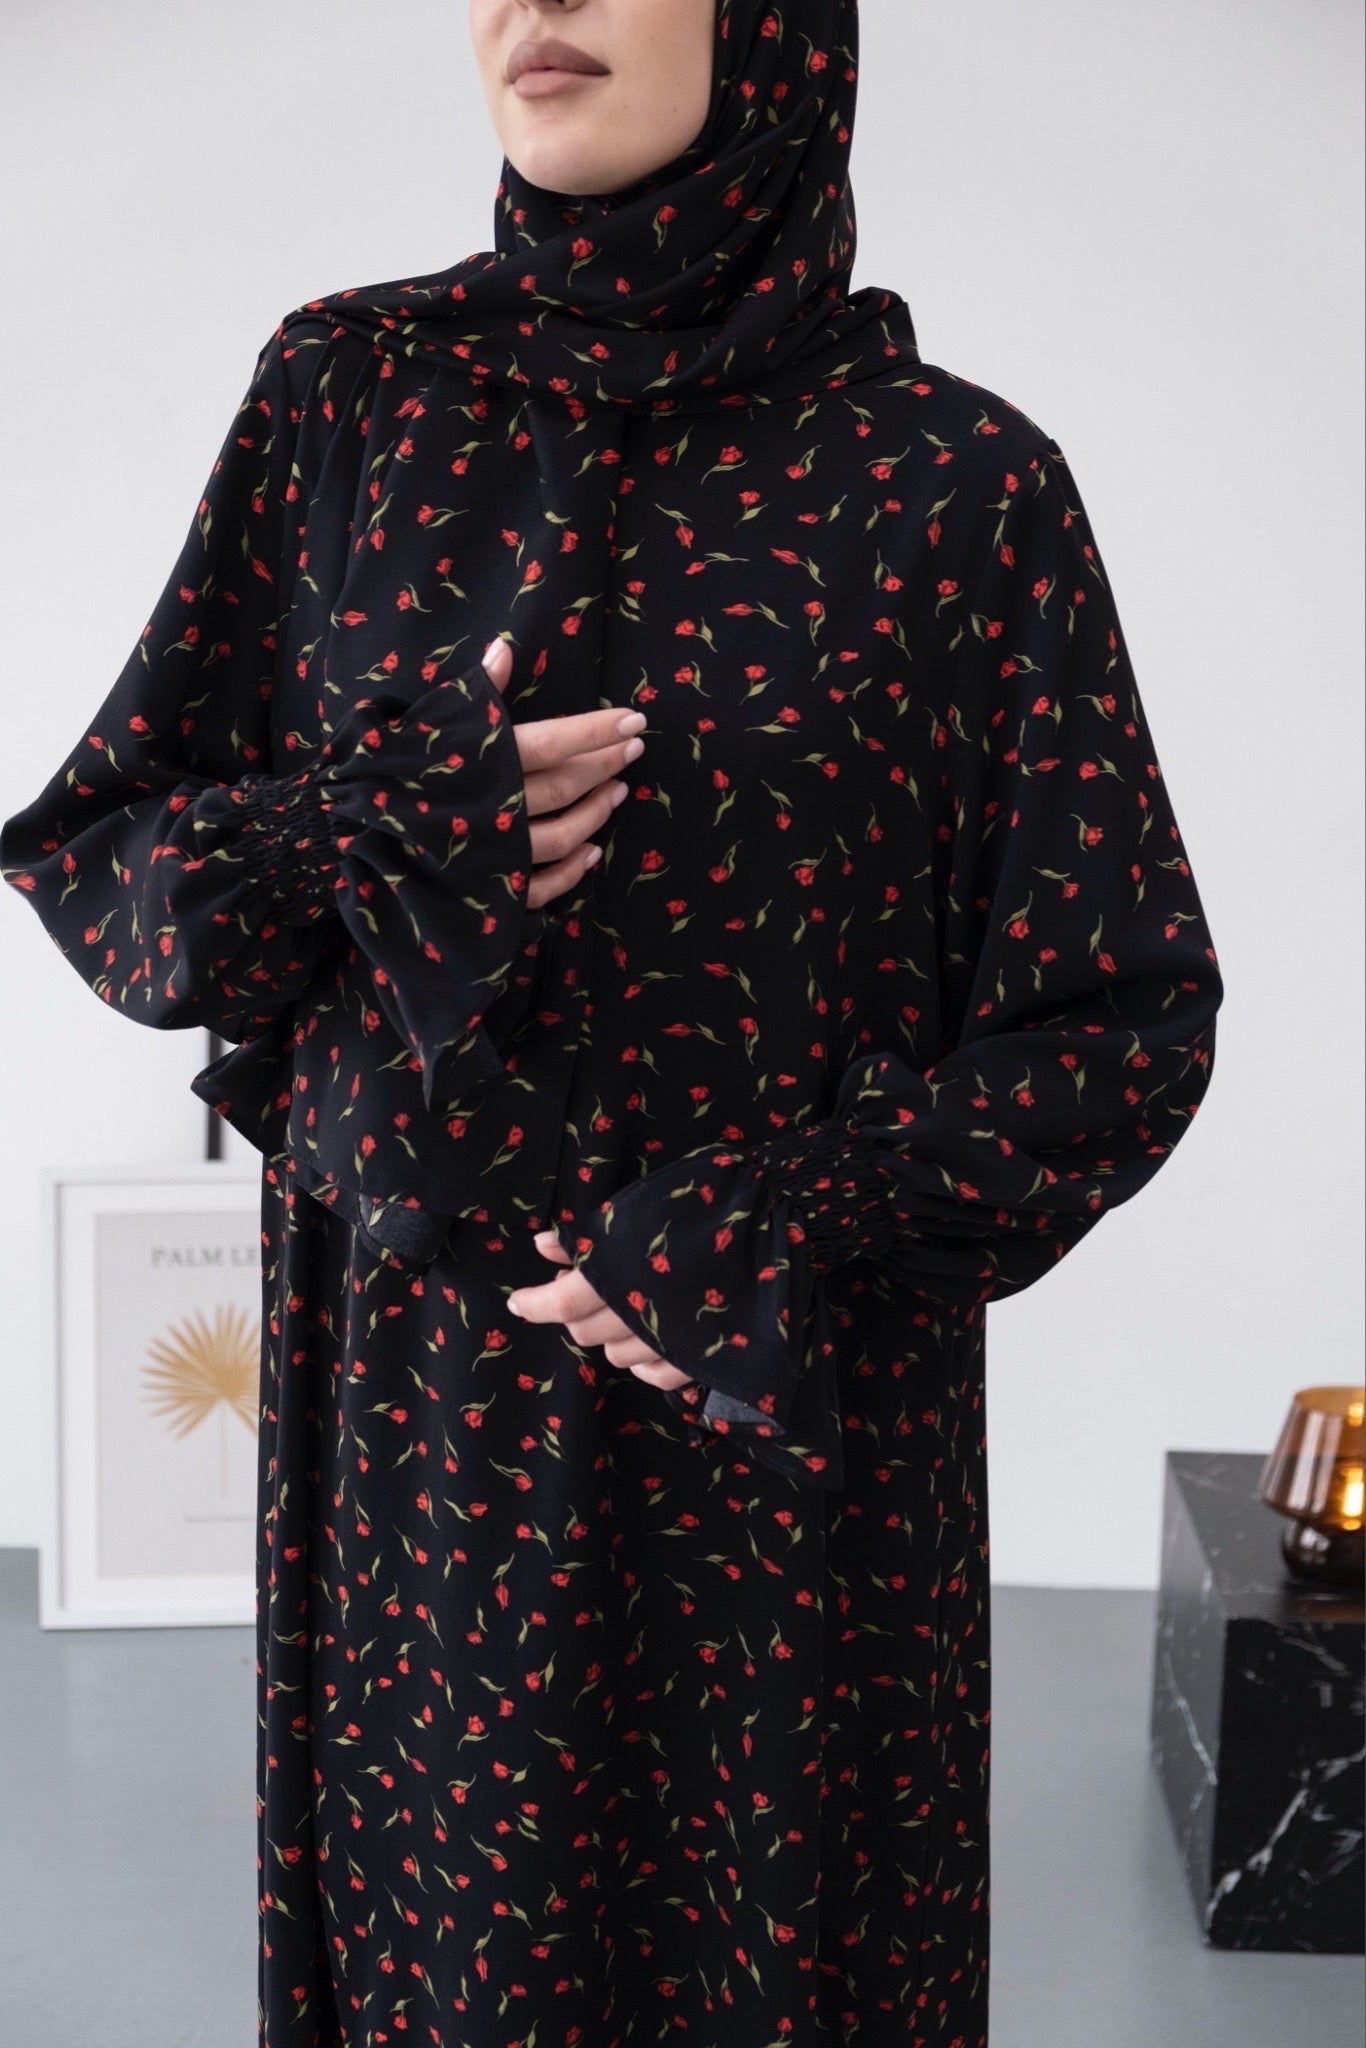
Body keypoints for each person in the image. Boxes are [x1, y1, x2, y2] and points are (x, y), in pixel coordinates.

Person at [0, 0, 1225, 2040]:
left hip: (793, 1456)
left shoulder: (956, 486)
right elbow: (102, 868)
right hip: (428, 1449)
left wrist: (789, 1211)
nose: (534, 0)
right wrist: (364, 828)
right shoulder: (352, 401)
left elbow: (1120, 1017)